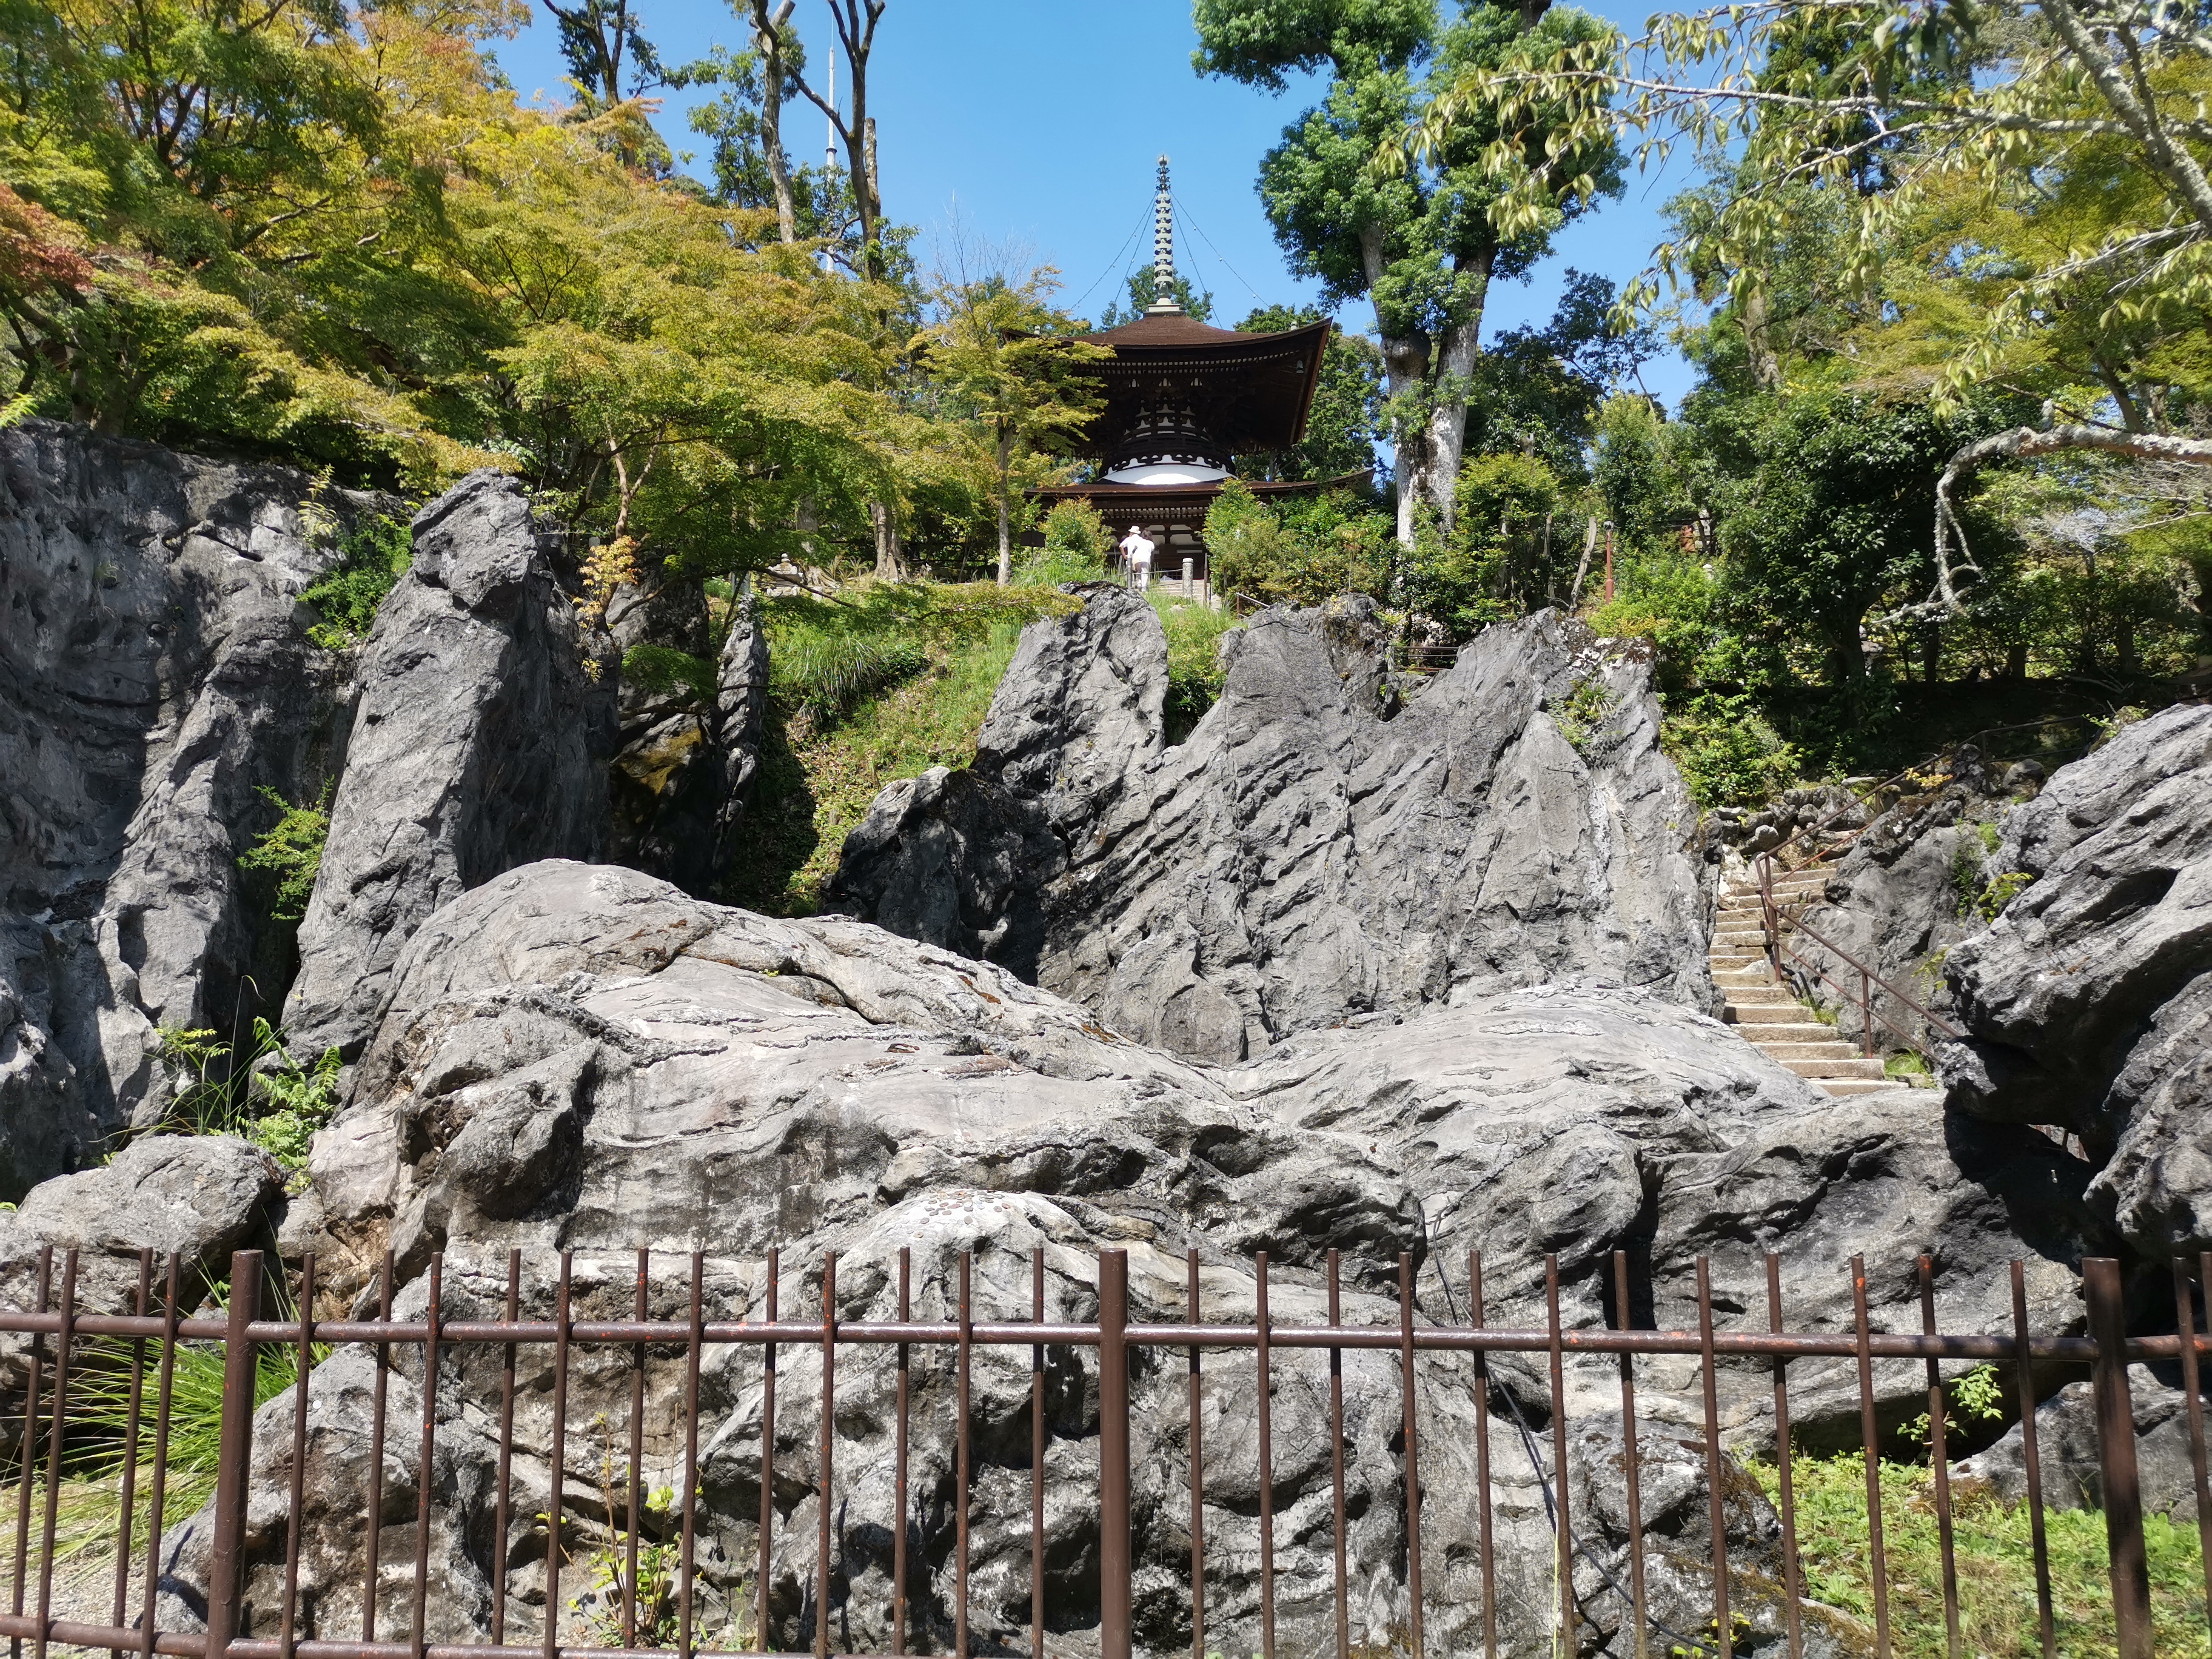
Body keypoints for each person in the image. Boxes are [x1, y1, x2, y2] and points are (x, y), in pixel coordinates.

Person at [1119, 525, 1155, 591]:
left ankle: (1131, 587)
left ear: (1131, 533)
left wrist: (1124, 555)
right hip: (1145, 559)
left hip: (1132, 559)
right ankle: (1143, 587)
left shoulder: (1129, 539)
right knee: (1144, 573)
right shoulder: (1142, 540)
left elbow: (1121, 546)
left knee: (1131, 573)